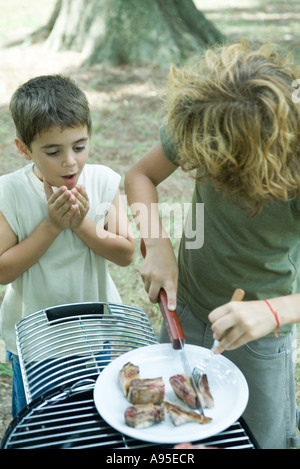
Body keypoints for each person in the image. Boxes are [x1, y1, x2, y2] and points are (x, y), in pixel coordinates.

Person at [125, 42, 300, 449]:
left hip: (259, 338)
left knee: (259, 440)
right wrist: (158, 243)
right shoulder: (210, 114)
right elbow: (141, 175)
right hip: (184, 305)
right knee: (178, 435)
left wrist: (274, 311)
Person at [0, 74, 135, 417]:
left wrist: (80, 225)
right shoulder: (10, 193)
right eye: (53, 151)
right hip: (35, 339)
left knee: (90, 416)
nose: (70, 162)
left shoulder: (102, 182)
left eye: (79, 146)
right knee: (39, 421)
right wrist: (52, 225)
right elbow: (3, 270)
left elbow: (125, 252)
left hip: (93, 331)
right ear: (23, 148)